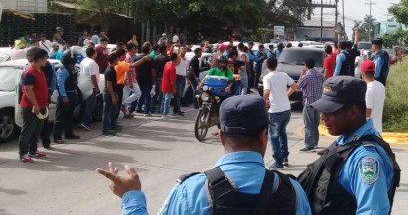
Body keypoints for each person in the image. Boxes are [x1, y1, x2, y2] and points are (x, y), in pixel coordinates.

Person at [96, 95, 311, 214]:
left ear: (220, 137)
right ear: (264, 137)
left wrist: (131, 195)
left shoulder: (193, 190)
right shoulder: (293, 191)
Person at [297, 76, 401, 214]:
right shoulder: (346, 140)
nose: (323, 116)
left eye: (331, 111)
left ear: (353, 112)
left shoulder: (365, 159)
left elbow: (372, 211)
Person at [262, 57, 298, 169]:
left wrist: (264, 102)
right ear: (276, 65)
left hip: (275, 110)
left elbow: (266, 92)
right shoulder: (283, 75)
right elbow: (294, 86)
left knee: (274, 136)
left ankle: (278, 161)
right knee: (282, 133)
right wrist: (286, 95)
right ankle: (284, 158)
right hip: (286, 109)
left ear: (267, 66)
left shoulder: (267, 77)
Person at [18, 47, 50, 163]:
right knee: (27, 131)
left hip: (41, 105)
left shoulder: (40, 70)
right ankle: (23, 154)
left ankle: (33, 151)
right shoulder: (29, 72)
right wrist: (35, 105)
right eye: (46, 58)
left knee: (36, 131)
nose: (47, 60)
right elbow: (28, 90)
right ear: (40, 59)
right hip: (30, 107)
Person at [297, 58, 324, 152]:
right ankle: (315, 142)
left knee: (308, 125)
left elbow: (298, 86)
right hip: (318, 102)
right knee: (316, 124)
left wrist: (301, 74)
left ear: (306, 65)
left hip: (309, 103)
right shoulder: (320, 75)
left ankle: (309, 145)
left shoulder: (306, 77)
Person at [54, 50, 80, 144]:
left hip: (73, 95)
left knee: (70, 116)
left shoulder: (73, 68)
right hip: (65, 96)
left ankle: (68, 133)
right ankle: (57, 137)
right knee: (60, 117)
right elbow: (60, 84)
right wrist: (64, 96)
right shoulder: (63, 70)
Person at [78, 47, 100, 131]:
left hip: (82, 84)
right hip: (90, 86)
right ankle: (86, 122)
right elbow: (93, 77)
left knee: (84, 105)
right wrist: (97, 87)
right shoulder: (92, 63)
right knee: (90, 105)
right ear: (94, 53)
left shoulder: (84, 61)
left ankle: (80, 121)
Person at [361, 59, 386, 134]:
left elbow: (368, 112)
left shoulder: (368, 89)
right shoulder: (381, 85)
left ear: (362, 73)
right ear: (374, 72)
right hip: (378, 129)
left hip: (369, 131)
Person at [135, 45, 156, 116]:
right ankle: (146, 111)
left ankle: (138, 107)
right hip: (148, 78)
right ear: (149, 51)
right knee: (147, 95)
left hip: (138, 78)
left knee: (141, 93)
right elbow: (153, 71)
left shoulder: (136, 58)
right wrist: (154, 80)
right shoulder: (150, 59)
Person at [102, 53, 120, 136]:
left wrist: (115, 95)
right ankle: (106, 129)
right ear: (115, 60)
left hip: (112, 93)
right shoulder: (110, 71)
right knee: (107, 112)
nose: (118, 61)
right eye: (117, 59)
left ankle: (113, 126)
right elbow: (109, 85)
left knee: (114, 110)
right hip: (108, 94)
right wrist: (113, 97)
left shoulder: (112, 69)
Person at [122, 43, 141, 118]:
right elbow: (128, 69)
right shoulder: (129, 57)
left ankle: (126, 112)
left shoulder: (129, 56)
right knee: (138, 93)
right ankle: (123, 104)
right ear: (131, 49)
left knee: (126, 95)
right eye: (134, 48)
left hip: (129, 78)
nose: (136, 50)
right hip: (130, 78)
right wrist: (129, 81)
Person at [160, 53, 180, 118]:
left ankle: (162, 111)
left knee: (164, 99)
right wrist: (174, 88)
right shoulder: (172, 68)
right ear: (175, 59)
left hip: (164, 84)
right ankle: (165, 113)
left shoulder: (167, 63)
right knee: (167, 100)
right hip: (168, 85)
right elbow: (172, 80)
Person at [152, 45, 169, 114]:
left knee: (154, 94)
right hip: (163, 78)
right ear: (164, 50)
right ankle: (160, 109)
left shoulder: (155, 57)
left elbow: (153, 69)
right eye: (166, 49)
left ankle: (152, 108)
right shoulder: (167, 58)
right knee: (162, 95)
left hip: (156, 77)